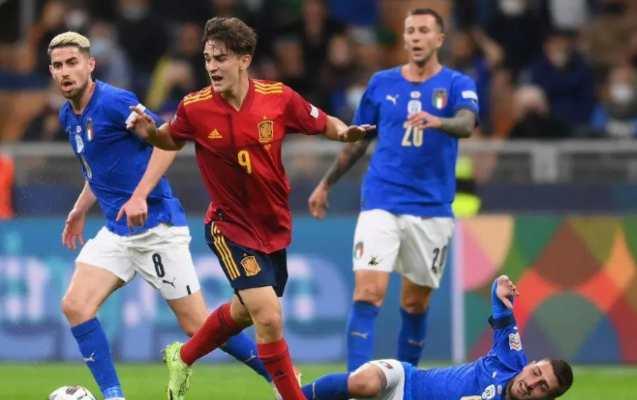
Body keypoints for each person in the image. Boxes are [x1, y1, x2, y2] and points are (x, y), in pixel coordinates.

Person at [126, 16, 374, 400]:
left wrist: (345, 133)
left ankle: (183, 356)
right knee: (269, 317)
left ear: (245, 59)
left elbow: (323, 122)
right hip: (230, 226)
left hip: (273, 225)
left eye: (221, 58)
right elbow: (170, 139)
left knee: (244, 311)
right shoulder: (195, 107)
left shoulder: (278, 97)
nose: (212, 66)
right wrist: (150, 134)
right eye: (208, 58)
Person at [47, 31, 271, 400]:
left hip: (156, 227)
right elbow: (99, 169)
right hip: (118, 231)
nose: (65, 71)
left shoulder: (115, 102)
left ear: (90, 65)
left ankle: (278, 377)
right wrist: (79, 208)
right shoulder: (68, 114)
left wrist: (138, 196)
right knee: (75, 305)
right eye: (57, 65)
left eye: (72, 63)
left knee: (198, 325)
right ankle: (114, 396)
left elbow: (169, 142)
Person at [308, 8, 478, 372]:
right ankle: (357, 383)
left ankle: (403, 384)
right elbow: (359, 140)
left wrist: (439, 121)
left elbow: (467, 124)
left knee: (415, 304)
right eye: (410, 30)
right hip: (381, 201)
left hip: (431, 209)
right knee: (368, 293)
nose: (416, 37)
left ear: (439, 39)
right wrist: (325, 183)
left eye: (424, 31)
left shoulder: (456, 84)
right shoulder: (381, 83)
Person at [300, 275, 574, 400]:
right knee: (364, 384)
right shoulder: (511, 359)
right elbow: (499, 299)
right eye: (536, 372)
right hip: (405, 381)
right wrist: (501, 285)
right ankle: (294, 395)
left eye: (542, 387)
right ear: (530, 365)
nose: (531, 383)